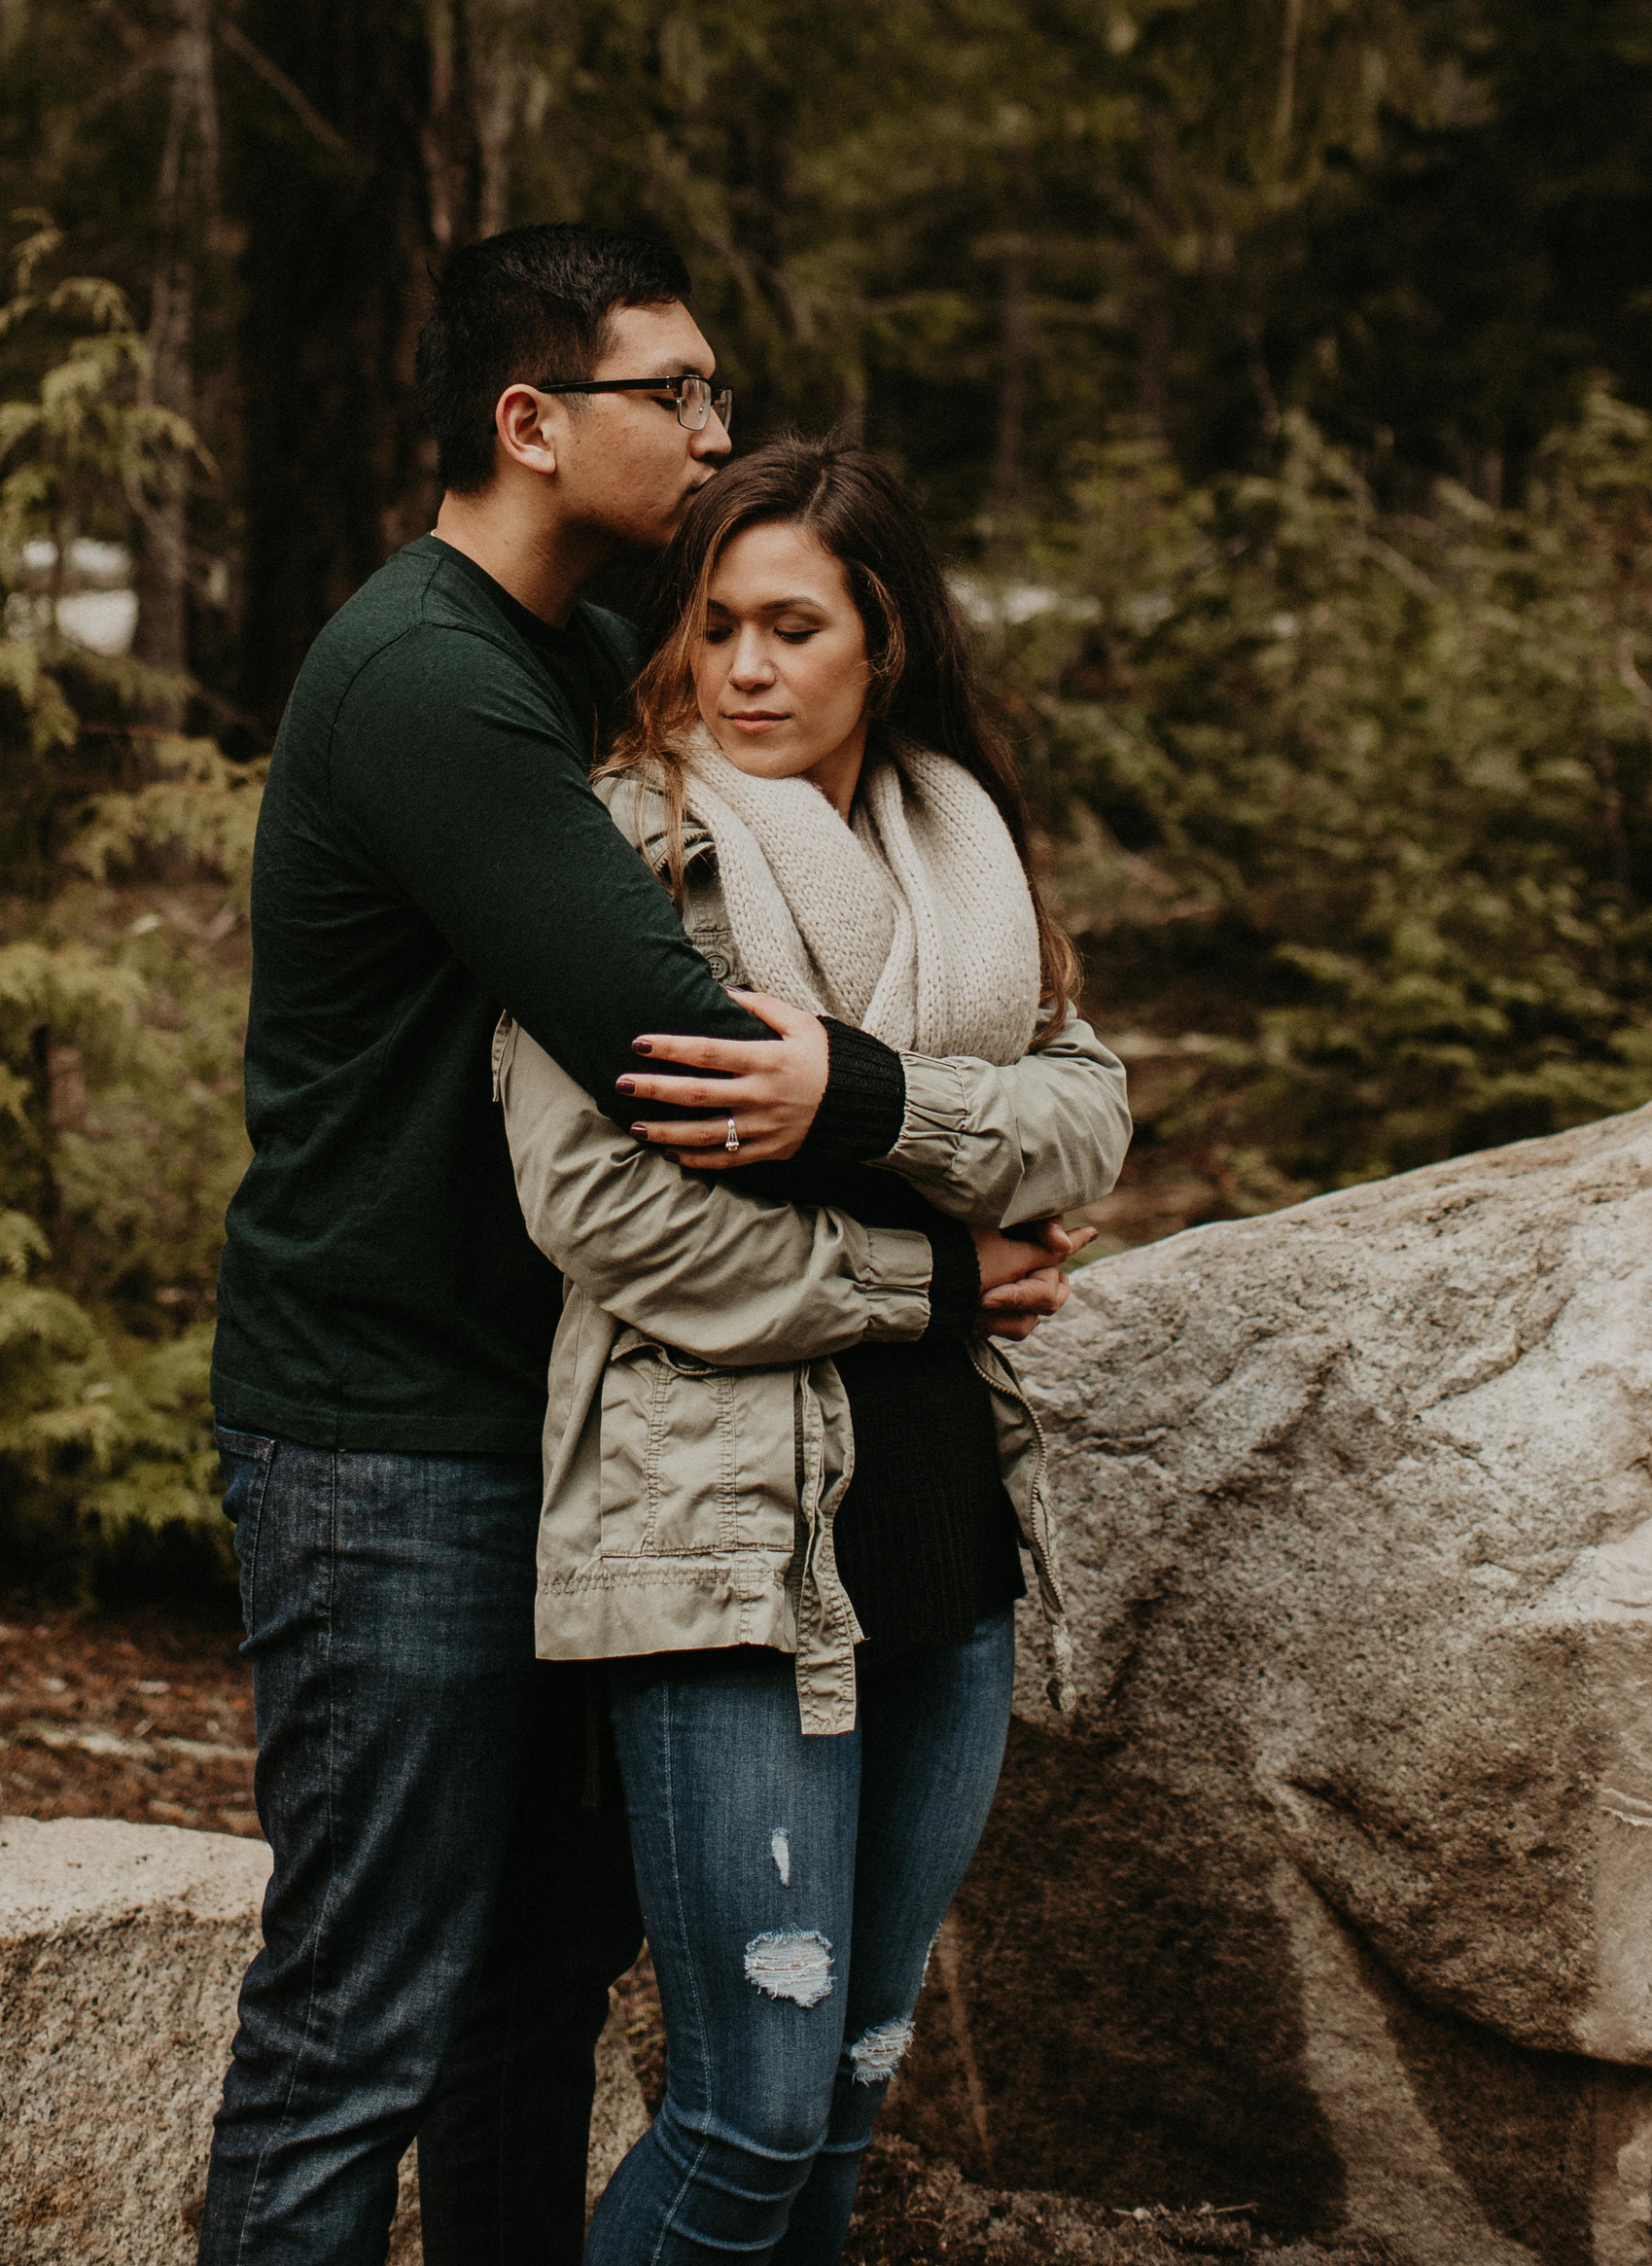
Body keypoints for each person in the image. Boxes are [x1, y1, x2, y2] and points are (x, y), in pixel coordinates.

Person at [197, 227, 1073, 2266]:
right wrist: (942, 1243)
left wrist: (951, 1104)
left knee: (519, 1994)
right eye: (669, 394)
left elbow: (881, 1040)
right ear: (529, 423)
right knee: (357, 2015)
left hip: (570, 1413)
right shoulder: (428, 676)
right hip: (387, 1425)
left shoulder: (592, 657)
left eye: (711, 393)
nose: (710, 428)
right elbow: (683, 1052)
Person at [494, 437, 1131, 2266]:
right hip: (721, 1545)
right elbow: (610, 1216)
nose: (744, 668)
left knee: (852, 2085)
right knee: (751, 2114)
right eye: (712, 627)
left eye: (793, 627)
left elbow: (1086, 1117)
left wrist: (853, 1095)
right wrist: (937, 1269)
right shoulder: (634, 849)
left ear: (887, 645)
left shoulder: (961, 858)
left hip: (942, 1530)